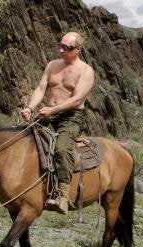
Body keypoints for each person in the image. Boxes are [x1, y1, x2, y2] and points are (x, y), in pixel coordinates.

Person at [20, 32, 95, 214]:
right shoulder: (52, 65)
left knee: (61, 148)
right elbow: (40, 88)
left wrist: (52, 110)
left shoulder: (86, 71)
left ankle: (63, 195)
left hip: (71, 117)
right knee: (21, 138)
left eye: (66, 48)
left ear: (78, 50)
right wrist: (30, 107)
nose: (61, 50)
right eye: (60, 45)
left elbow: (77, 100)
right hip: (48, 114)